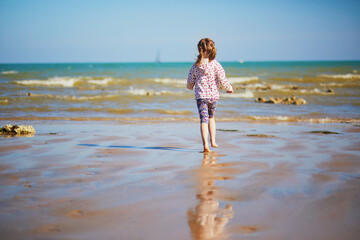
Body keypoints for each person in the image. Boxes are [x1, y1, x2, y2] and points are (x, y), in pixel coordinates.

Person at [187, 38, 233, 152]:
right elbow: (222, 78)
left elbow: (190, 80)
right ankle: (213, 141)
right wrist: (229, 88)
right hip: (213, 97)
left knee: (204, 120)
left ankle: (205, 145)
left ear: (199, 50)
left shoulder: (195, 66)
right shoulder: (216, 64)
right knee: (211, 118)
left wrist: (190, 86)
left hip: (201, 97)